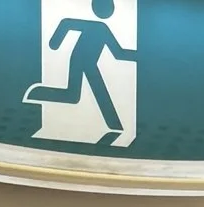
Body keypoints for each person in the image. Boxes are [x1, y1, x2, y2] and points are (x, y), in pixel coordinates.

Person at [27, 0, 135, 142]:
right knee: (75, 95)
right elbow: (67, 23)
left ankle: (115, 125)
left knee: (74, 95)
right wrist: (55, 42)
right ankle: (36, 94)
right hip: (79, 60)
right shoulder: (99, 27)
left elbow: (118, 53)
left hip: (89, 63)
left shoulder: (103, 29)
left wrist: (139, 56)